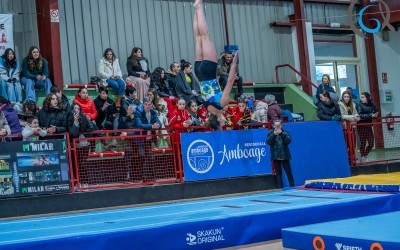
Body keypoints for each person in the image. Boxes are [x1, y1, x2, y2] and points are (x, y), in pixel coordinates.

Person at [192, 0, 238, 130]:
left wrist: (234, 63)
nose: (225, 120)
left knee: (205, 36)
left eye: (223, 122)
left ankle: (199, 7)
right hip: (199, 73)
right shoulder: (208, 107)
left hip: (209, 71)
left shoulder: (221, 104)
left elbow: (229, 82)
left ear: (218, 119)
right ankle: (196, 10)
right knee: (198, 38)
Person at [266, 119, 295, 188]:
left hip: (284, 155)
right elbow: (268, 142)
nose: (277, 127)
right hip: (275, 156)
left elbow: (288, 141)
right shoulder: (270, 133)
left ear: (281, 125)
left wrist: (282, 134)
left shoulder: (285, 132)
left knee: (289, 172)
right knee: (278, 174)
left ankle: (292, 186)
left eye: (278, 125)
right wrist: (274, 134)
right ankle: (280, 187)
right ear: (273, 125)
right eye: (275, 125)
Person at [357, 92, 378, 162]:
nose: (361, 98)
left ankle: (365, 154)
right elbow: (360, 115)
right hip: (361, 126)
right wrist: (370, 116)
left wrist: (376, 114)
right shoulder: (359, 105)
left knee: (371, 143)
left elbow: (376, 111)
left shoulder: (372, 104)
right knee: (363, 142)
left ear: (367, 98)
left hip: (369, 126)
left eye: (363, 97)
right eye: (361, 97)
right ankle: (362, 156)